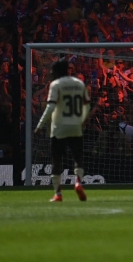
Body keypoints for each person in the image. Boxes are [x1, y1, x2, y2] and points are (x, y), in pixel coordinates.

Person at [35, 59, 91, 202]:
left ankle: (58, 194)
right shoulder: (79, 84)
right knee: (78, 157)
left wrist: (40, 125)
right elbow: (86, 104)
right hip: (75, 125)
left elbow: (50, 107)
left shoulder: (56, 85)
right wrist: (81, 119)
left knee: (56, 160)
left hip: (59, 127)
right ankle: (78, 182)